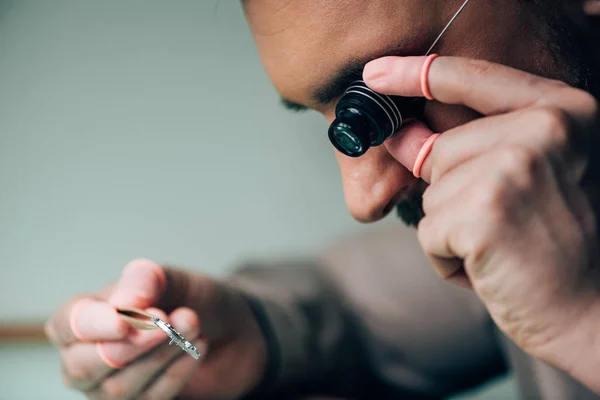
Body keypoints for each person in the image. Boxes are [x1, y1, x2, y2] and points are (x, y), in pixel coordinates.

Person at [45, 0, 600, 399]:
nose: (364, 199)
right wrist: (250, 335)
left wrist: (584, 325)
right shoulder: (528, 220)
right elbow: (354, 309)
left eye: (383, 100)